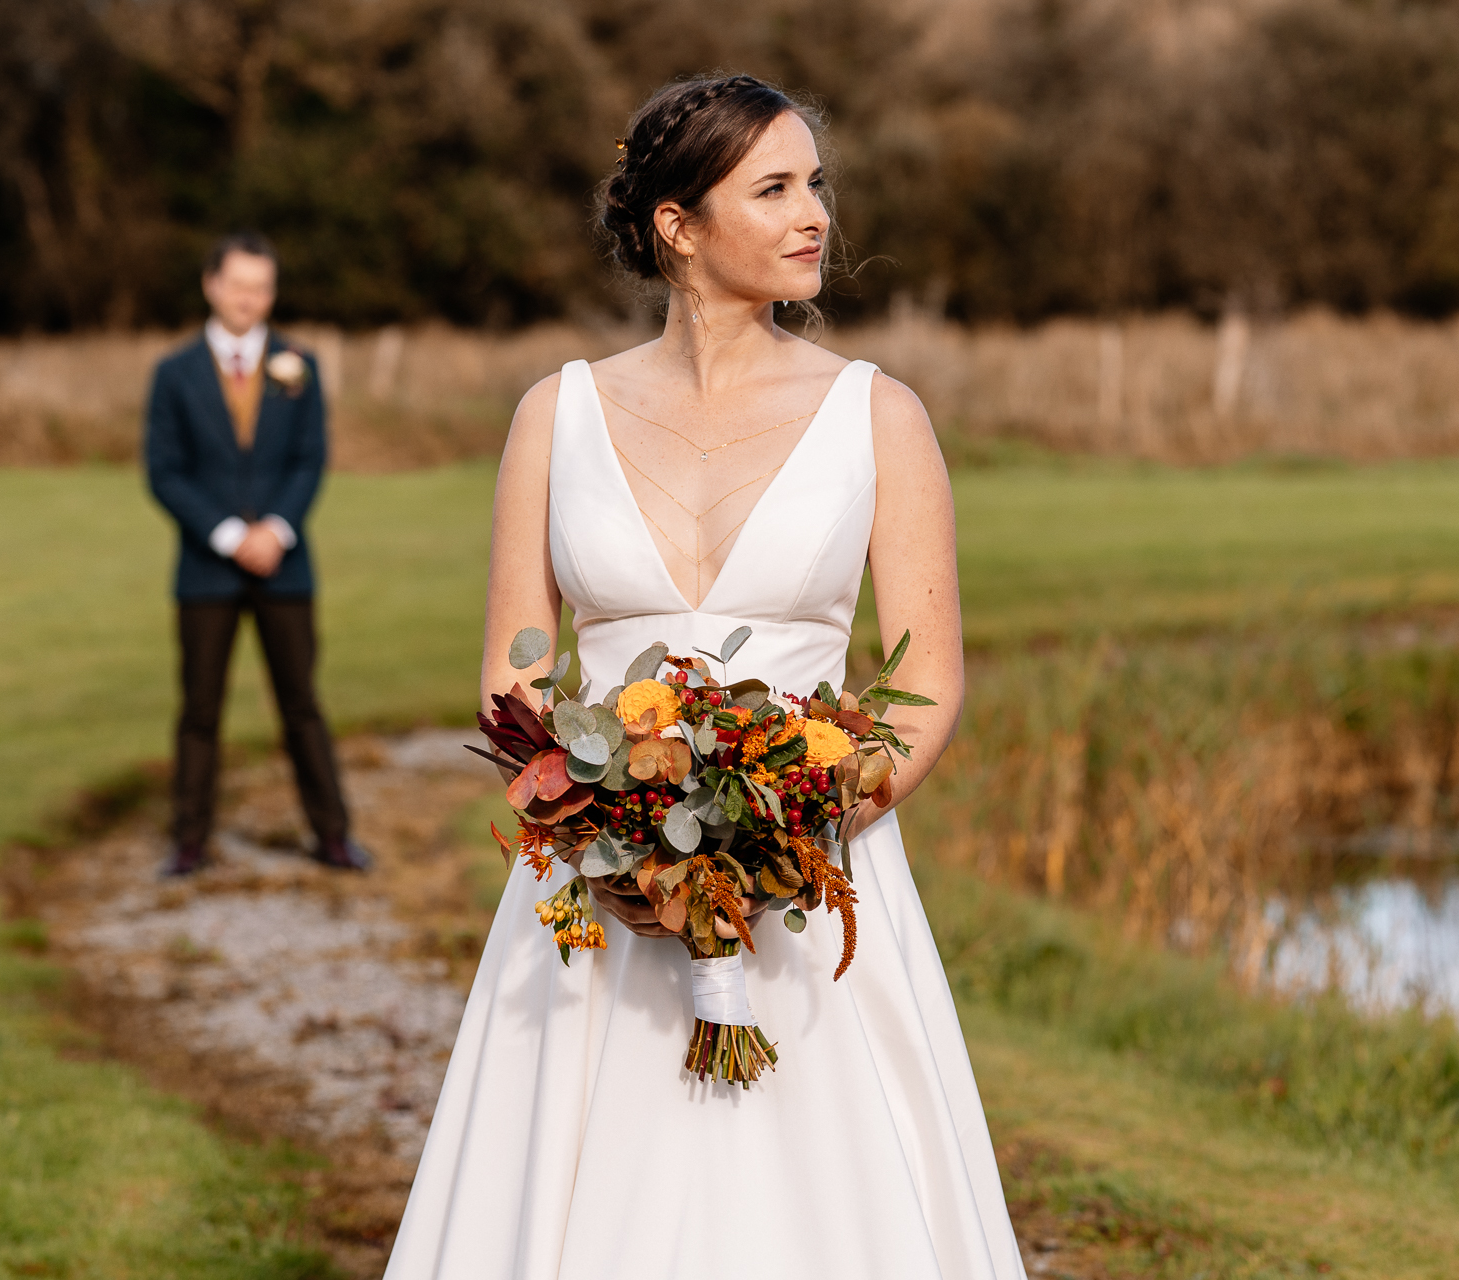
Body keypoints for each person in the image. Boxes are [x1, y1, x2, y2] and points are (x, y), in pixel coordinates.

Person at [384, 76, 1026, 1278]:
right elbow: (516, 680)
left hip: (811, 887)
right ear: (677, 225)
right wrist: (611, 839)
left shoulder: (880, 417)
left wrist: (797, 826)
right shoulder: (555, 414)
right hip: (600, 895)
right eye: (775, 188)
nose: (816, 216)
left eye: (816, 186)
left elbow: (927, 673)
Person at [142, 232, 371, 877]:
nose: (250, 298)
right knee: (199, 710)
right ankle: (189, 840)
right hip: (205, 571)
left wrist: (274, 529)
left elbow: (309, 459)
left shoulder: (299, 363)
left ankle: (332, 835)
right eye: (239, 284)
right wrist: (227, 536)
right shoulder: (174, 373)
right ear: (212, 285)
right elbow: (164, 472)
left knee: (302, 705)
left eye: (262, 286)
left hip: (285, 564)